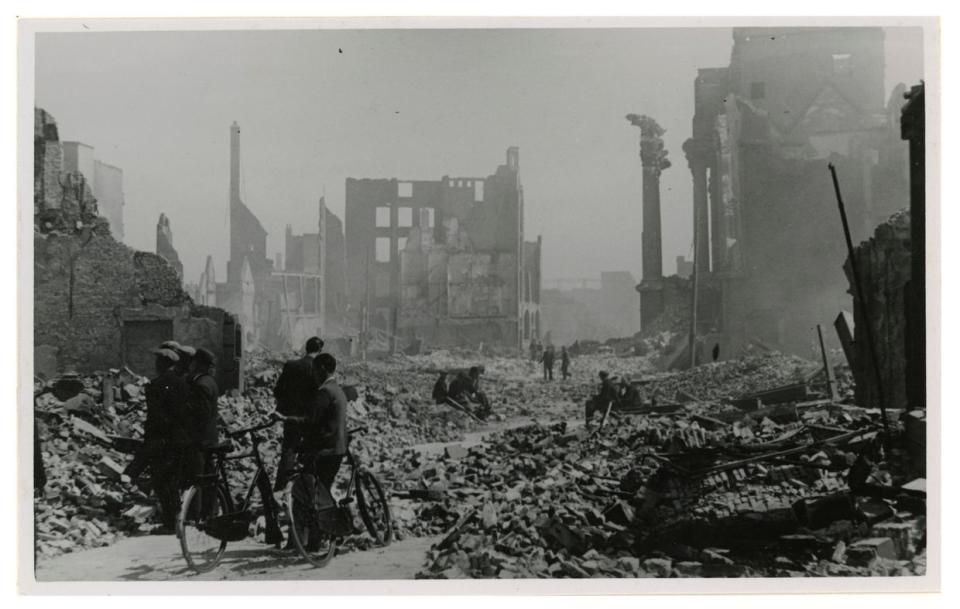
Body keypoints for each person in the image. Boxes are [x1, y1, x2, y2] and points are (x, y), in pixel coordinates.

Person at [273, 354, 348, 546]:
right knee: (321, 492)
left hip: (325, 451)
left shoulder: (324, 392)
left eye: (314, 371)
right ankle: (317, 540)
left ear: (322, 369)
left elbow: (310, 420)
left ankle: (308, 539)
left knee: (305, 494)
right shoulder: (338, 389)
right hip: (337, 449)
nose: (313, 375)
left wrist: (285, 419)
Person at [138, 347, 190, 531]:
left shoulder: (158, 385)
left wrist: (150, 440)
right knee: (172, 481)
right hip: (179, 438)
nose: (155, 365)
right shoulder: (183, 383)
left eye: (158, 361)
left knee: (162, 481)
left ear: (164, 363)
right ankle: (177, 520)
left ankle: (170, 523)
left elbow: (155, 417)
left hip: (162, 439)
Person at [272, 337, 323, 490]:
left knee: (288, 451)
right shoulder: (318, 369)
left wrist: (286, 407)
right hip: (310, 419)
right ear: (320, 351)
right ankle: (306, 492)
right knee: (310, 455)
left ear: (306, 348)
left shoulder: (291, 365)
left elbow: (278, 390)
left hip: (291, 417)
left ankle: (280, 490)